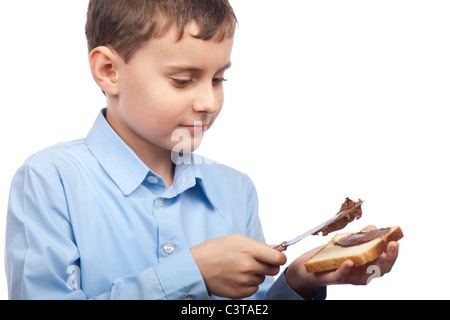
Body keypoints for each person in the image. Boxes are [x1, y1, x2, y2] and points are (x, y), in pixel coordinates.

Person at [5, 0, 399, 300]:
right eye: (182, 80)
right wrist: (192, 272)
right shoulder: (49, 179)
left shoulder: (236, 190)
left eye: (218, 78)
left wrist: (295, 282)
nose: (209, 102)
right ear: (109, 71)